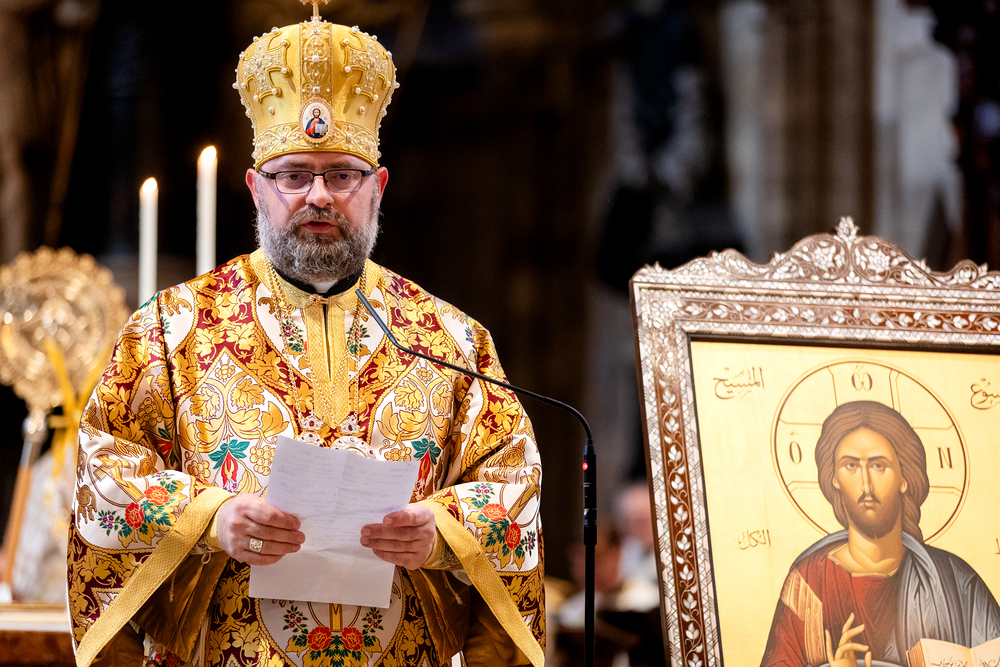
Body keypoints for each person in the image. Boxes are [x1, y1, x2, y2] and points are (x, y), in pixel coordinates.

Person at [67, 11, 544, 667]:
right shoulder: (170, 328)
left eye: (341, 174)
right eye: (293, 174)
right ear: (256, 189)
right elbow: (103, 474)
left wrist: (444, 531)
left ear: (377, 187)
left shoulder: (451, 338)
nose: (319, 196)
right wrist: (210, 517)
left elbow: (513, 484)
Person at [760, 400, 1000, 667]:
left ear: (904, 477)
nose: (866, 485)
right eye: (851, 466)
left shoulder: (956, 581)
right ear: (834, 478)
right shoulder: (810, 583)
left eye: (878, 466)